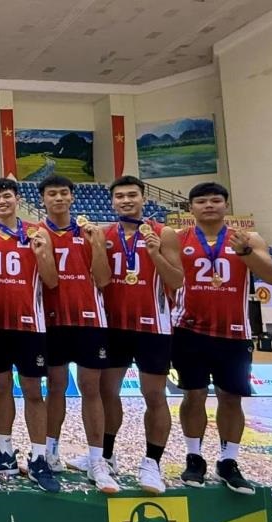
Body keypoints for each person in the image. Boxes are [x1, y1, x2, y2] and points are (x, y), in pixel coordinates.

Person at [71, 176, 183, 495]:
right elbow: (99, 279)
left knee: (154, 395)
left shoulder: (163, 233)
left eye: (132, 195)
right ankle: (106, 456)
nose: (126, 201)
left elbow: (177, 280)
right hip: (113, 325)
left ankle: (152, 463)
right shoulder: (104, 234)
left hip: (153, 326)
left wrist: (156, 254)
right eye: (119, 196)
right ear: (112, 202)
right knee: (107, 392)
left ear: (143, 198)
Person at [172, 182, 272, 494]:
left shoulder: (248, 239)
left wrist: (245, 252)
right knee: (193, 395)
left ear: (226, 205)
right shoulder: (179, 238)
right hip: (188, 329)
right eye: (201, 201)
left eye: (215, 200)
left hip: (233, 331)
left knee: (231, 397)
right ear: (190, 207)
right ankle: (194, 457)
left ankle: (228, 461)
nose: (209, 205)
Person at [35, 175, 117, 493]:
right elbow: (49, 281)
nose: (58, 198)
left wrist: (96, 246)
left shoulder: (90, 232)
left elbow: (103, 279)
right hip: (52, 321)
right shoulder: (36, 233)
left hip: (90, 319)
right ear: (43, 199)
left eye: (63, 193)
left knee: (91, 388)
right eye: (51, 194)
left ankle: (97, 460)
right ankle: (51, 453)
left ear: (72, 197)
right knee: (55, 387)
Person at [0, 178, 60, 492]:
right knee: (0, 388)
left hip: (30, 325)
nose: (1, 201)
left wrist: (42, 255)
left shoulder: (37, 233)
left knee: (33, 391)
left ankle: (39, 457)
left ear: (17, 199)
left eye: (7, 196)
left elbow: (51, 281)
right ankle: (5, 452)